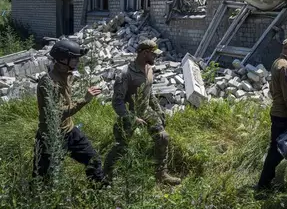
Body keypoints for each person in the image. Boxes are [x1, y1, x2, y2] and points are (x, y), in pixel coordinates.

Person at [103, 40, 180, 185]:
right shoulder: (126, 73)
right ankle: (106, 176)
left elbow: (149, 93)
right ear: (145, 53)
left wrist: (159, 111)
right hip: (128, 113)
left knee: (162, 137)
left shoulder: (149, 69)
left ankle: (161, 174)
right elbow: (117, 102)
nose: (156, 58)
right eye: (154, 54)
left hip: (145, 111)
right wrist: (131, 118)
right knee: (122, 146)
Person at [32, 39, 105, 184]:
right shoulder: (48, 83)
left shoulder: (67, 74)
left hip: (69, 131)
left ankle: (100, 193)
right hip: (50, 135)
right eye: (74, 59)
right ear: (62, 59)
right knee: (43, 180)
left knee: (94, 160)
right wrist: (85, 99)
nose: (77, 62)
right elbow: (58, 114)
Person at [256, 37, 287, 193]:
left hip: (279, 113)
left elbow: (273, 90)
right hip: (285, 116)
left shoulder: (277, 63)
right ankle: (263, 184)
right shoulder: (286, 68)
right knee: (278, 150)